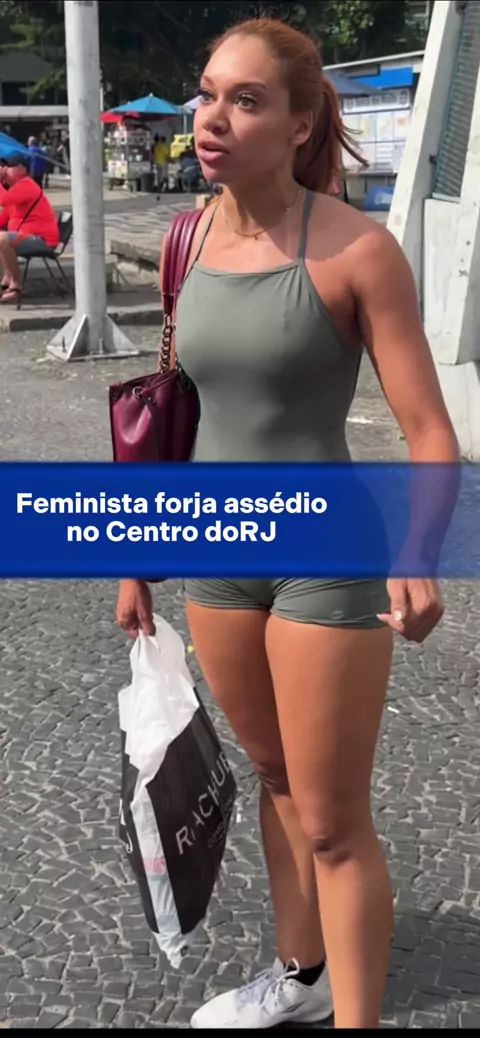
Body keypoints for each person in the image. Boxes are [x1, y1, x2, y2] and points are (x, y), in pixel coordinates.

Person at [116, 18, 459, 1031]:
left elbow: (431, 429)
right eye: (208, 94)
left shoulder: (358, 250)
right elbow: (170, 413)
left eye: (246, 100)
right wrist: (136, 557)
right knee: (272, 778)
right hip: (217, 556)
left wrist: (420, 549)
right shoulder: (187, 240)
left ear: (302, 124)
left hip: (324, 558)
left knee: (336, 821)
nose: (212, 117)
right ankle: (302, 976)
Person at [0, 152, 59, 304]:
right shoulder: (14, 191)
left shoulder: (27, 184)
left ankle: (16, 285)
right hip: (24, 237)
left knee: (2, 239)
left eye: (7, 167)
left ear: (21, 168)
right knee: (2, 237)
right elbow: (2, 220)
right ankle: (7, 280)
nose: (4, 171)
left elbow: (3, 200)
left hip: (41, 240)